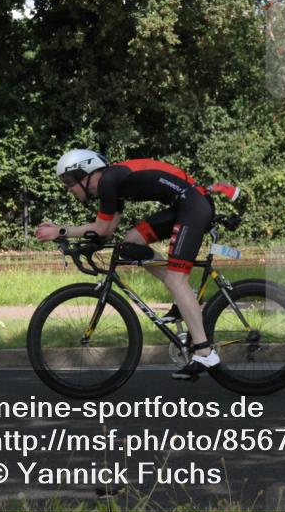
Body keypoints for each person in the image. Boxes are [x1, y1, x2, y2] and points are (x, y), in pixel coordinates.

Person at [34, 149, 239, 380]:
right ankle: (185, 295)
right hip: (185, 203)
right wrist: (76, 238)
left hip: (193, 205)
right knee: (131, 243)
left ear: (86, 174)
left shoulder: (109, 181)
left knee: (175, 278)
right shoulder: (114, 184)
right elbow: (108, 231)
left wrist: (61, 231)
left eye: (70, 182)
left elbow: (101, 229)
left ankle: (204, 352)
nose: (69, 188)